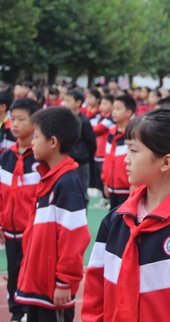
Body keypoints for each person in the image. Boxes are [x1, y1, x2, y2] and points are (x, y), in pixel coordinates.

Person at [81, 109, 170, 322]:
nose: (126, 160)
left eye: (133, 150)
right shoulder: (116, 220)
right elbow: (96, 288)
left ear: (166, 162)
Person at [15, 107, 91, 322]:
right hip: (39, 284)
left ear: (53, 142)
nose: (32, 142)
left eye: (36, 136)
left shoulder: (67, 183)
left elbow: (74, 237)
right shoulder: (50, 178)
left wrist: (64, 282)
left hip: (53, 289)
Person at [0, 99, 40, 322]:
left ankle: (30, 312)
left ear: (35, 124)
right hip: (11, 231)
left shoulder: (39, 158)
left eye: (21, 119)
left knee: (32, 273)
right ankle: (16, 313)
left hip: (32, 232)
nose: (14, 124)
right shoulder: (6, 156)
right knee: (13, 272)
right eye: (12, 118)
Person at [103, 95, 136, 209]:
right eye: (113, 109)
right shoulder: (111, 132)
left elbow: (137, 161)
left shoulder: (134, 134)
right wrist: (105, 181)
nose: (114, 112)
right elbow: (107, 159)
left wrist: (135, 183)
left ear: (128, 112)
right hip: (112, 186)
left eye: (118, 109)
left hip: (127, 188)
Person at [63, 90, 97, 193]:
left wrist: (84, 155)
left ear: (78, 103)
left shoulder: (84, 121)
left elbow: (91, 142)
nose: (65, 103)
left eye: (69, 101)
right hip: (66, 160)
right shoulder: (63, 120)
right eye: (65, 100)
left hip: (81, 161)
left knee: (81, 191)